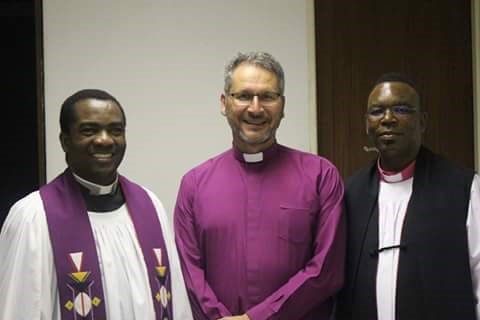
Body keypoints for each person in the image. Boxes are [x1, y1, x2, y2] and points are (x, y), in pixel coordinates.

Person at [174, 52, 345, 320]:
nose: (255, 108)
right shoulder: (194, 185)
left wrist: (257, 317)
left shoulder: (321, 176)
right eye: (243, 96)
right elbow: (189, 273)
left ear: (283, 105)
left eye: (267, 96)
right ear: (224, 102)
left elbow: (326, 271)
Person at [0, 89, 193, 319]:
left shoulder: (150, 206)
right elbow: (19, 310)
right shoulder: (33, 217)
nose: (105, 139)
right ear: (65, 141)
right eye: (89, 130)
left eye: (115, 130)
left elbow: (177, 303)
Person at [336, 73, 480, 320]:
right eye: (377, 111)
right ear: (366, 124)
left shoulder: (464, 188)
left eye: (401, 109)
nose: (388, 119)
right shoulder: (349, 193)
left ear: (422, 122)